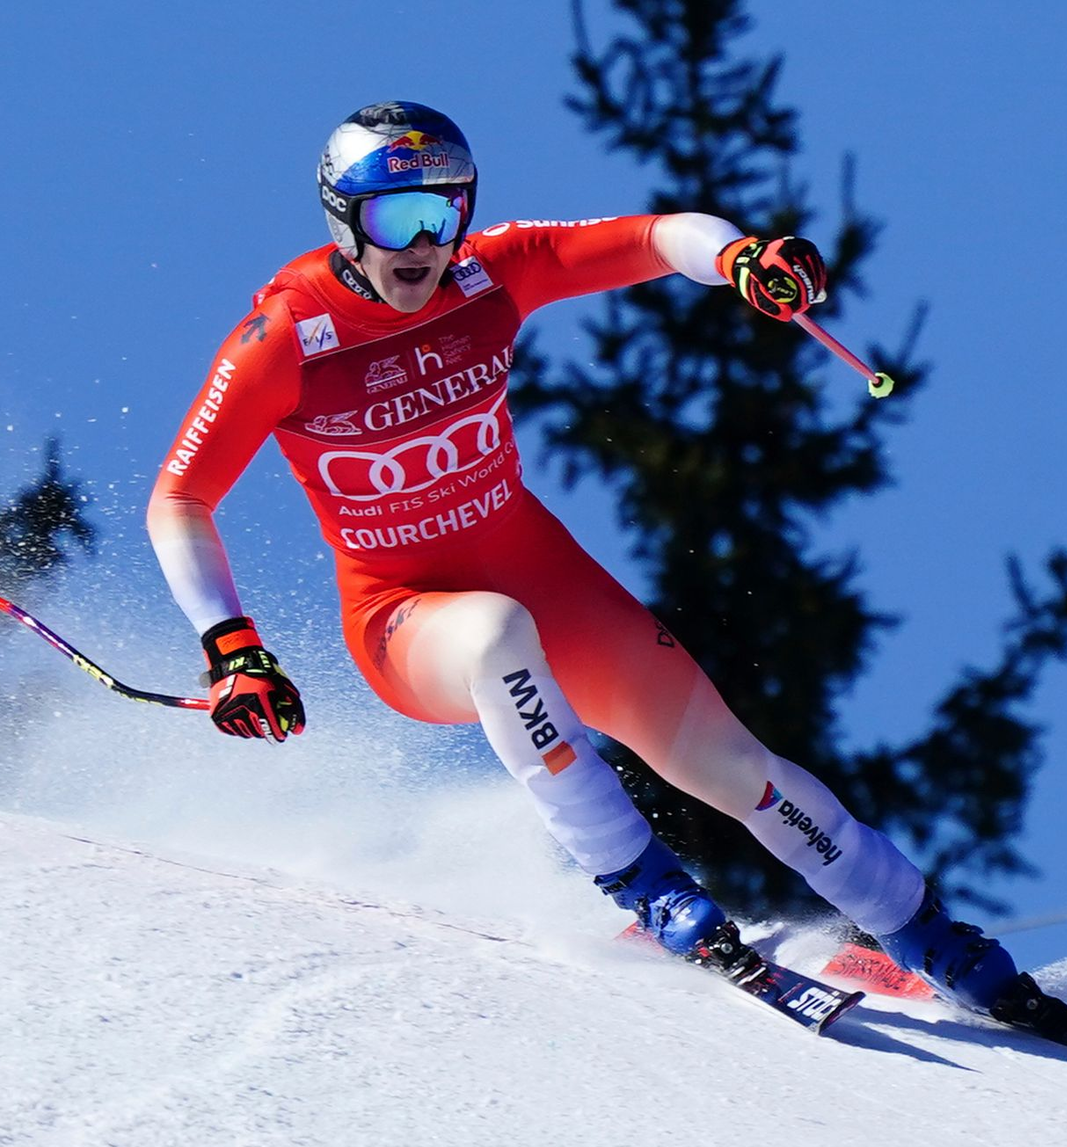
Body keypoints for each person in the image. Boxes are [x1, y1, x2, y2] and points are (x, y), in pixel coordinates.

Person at [147, 100, 1022, 1014]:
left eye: (441, 213)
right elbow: (180, 499)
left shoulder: (490, 275)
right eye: (393, 216)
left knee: (735, 765)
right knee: (493, 634)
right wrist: (231, 645)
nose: (421, 243)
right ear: (342, 217)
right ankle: (650, 890)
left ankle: (932, 934)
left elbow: (653, 237)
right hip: (403, 615)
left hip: (544, 577)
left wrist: (738, 259)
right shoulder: (289, 335)